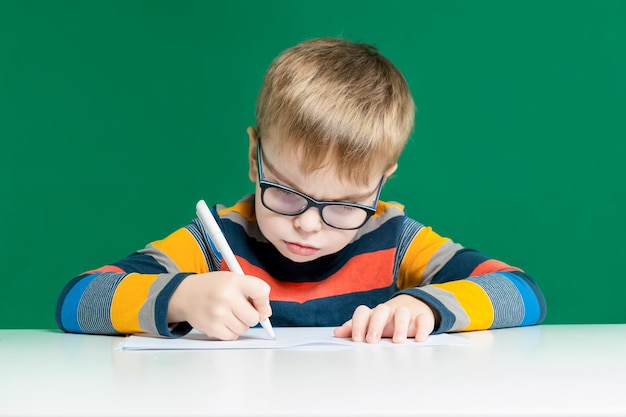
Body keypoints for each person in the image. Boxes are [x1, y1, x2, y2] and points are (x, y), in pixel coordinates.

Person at [56, 37, 546, 343]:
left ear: (382, 182)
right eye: (287, 192)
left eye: (347, 204)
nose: (308, 224)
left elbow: (523, 293)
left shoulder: (397, 240)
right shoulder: (214, 242)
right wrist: (183, 297)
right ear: (255, 158)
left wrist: (427, 307)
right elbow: (78, 300)